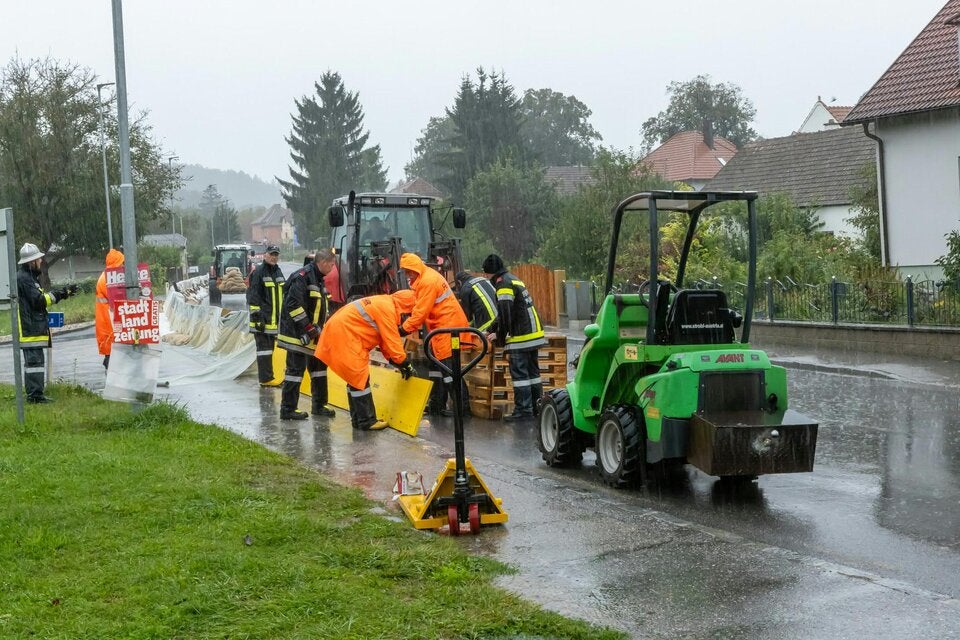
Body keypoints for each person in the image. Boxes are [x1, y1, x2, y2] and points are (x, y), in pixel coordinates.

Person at [315, 291, 416, 431]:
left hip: (340, 332)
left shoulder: (384, 303)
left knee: (355, 379)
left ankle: (358, 419)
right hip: (346, 336)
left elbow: (385, 342)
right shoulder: (388, 309)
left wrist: (396, 362)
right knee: (359, 377)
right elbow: (392, 341)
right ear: (407, 306)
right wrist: (404, 363)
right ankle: (366, 420)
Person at [398, 253, 475, 416]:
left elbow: (420, 313)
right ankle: (437, 404)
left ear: (415, 269)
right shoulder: (425, 279)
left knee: (450, 370)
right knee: (437, 368)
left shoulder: (428, 282)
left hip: (448, 329)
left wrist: (403, 329)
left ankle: (462, 408)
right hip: (440, 329)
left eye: (408, 271)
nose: (407, 275)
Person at [482, 254, 546, 421]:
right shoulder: (513, 279)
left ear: (491, 273)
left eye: (486, 275)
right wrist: (490, 329)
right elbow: (509, 311)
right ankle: (536, 407)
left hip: (521, 336)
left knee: (520, 376)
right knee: (533, 374)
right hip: (534, 334)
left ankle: (523, 411)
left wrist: (499, 336)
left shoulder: (502, 285)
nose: (486, 278)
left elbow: (505, 314)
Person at [16, 242, 77, 403]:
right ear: (32, 262)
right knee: (34, 365)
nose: (41, 262)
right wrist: (60, 294)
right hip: (30, 330)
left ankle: (36, 395)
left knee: (35, 364)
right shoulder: (25, 279)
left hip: (33, 328)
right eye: (38, 260)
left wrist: (61, 294)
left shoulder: (28, 277)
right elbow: (38, 301)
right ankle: (35, 397)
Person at [277, 253, 335, 420]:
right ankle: (288, 409)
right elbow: (293, 305)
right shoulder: (302, 277)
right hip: (298, 336)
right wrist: (308, 328)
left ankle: (319, 405)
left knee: (319, 371)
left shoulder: (318, 278)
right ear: (323, 262)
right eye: (331, 265)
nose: (332, 269)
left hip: (314, 336)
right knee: (295, 372)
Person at [247, 245, 284, 386]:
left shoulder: (278, 271)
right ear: (265, 255)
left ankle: (268, 377)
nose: (274, 257)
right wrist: (257, 317)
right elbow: (253, 295)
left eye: (276, 254)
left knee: (269, 350)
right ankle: (266, 379)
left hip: (274, 321)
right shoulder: (259, 272)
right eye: (271, 254)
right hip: (262, 320)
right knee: (264, 350)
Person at [95, 248, 124, 370]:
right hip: (109, 324)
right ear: (117, 263)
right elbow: (118, 298)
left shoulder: (107, 276)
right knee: (112, 355)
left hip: (107, 323)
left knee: (113, 353)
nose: (123, 266)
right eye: (121, 263)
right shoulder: (109, 279)